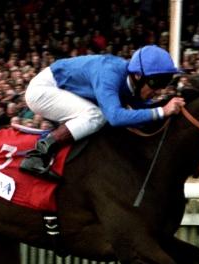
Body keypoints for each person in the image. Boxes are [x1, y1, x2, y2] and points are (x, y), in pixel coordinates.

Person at [19, 45, 185, 180]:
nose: (159, 89)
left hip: (62, 89)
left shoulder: (131, 82)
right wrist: (162, 111)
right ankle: (38, 154)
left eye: (165, 82)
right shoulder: (109, 73)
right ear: (137, 75)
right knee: (96, 115)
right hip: (43, 90)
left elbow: (143, 113)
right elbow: (115, 117)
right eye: (157, 82)